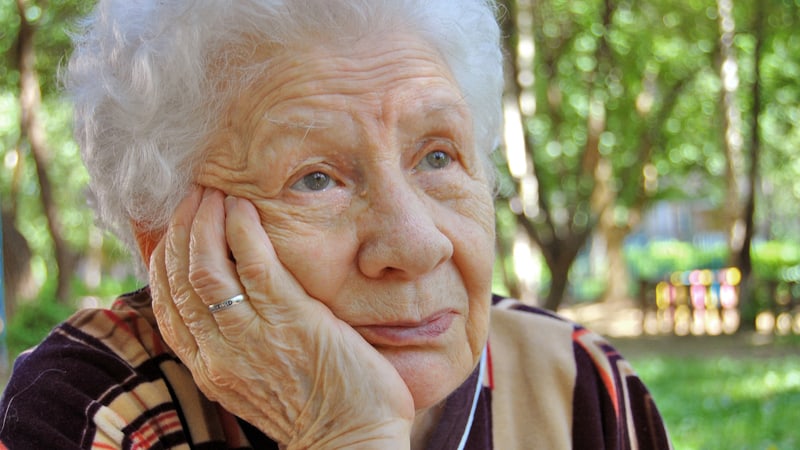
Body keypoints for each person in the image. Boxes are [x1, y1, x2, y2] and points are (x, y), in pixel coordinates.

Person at [0, 0, 672, 448]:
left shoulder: (577, 384)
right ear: (167, 244)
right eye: (315, 178)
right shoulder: (96, 406)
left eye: (437, 156)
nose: (414, 243)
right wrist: (347, 433)